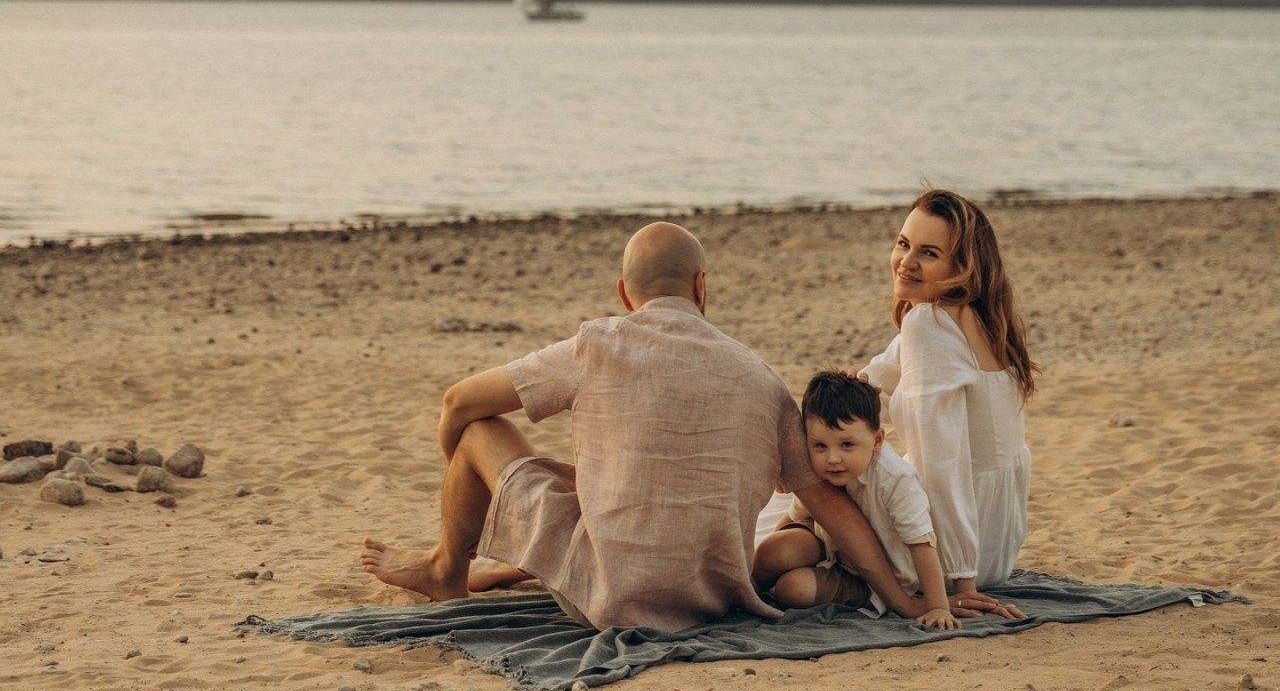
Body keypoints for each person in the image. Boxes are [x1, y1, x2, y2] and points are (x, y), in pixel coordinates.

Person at [361, 221, 935, 632]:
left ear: (624, 294)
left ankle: (446, 566)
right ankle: (484, 557)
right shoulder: (761, 379)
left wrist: (473, 501)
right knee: (582, 480)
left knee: (478, 430)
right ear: (701, 287)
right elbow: (831, 505)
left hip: (607, 597)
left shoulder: (595, 344)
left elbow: (457, 402)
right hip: (713, 598)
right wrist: (905, 602)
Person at [858, 189, 1038, 607]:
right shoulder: (982, 321)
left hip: (941, 557)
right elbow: (878, 388)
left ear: (962, 268)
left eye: (929, 253)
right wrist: (851, 393)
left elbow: (943, 462)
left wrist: (960, 582)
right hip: (997, 545)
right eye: (904, 243)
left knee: (819, 481)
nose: (906, 261)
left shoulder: (929, 324)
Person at [753, 370, 958, 630]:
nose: (833, 459)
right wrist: (777, 548)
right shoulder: (825, 469)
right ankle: (744, 592)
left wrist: (937, 605)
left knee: (792, 590)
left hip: (867, 577)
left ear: (877, 440)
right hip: (828, 547)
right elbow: (796, 515)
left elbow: (922, 544)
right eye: (820, 446)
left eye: (847, 445)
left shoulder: (896, 479)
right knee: (774, 551)